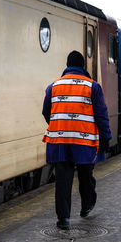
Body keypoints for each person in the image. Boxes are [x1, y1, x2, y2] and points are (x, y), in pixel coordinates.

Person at [42, 50, 111, 230]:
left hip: (59, 142)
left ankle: (63, 219)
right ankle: (87, 205)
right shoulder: (92, 86)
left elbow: (46, 112)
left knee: (62, 180)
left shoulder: (53, 86)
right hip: (84, 141)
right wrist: (105, 138)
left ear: (67, 65)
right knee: (85, 175)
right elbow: (101, 115)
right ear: (82, 66)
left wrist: (60, 124)